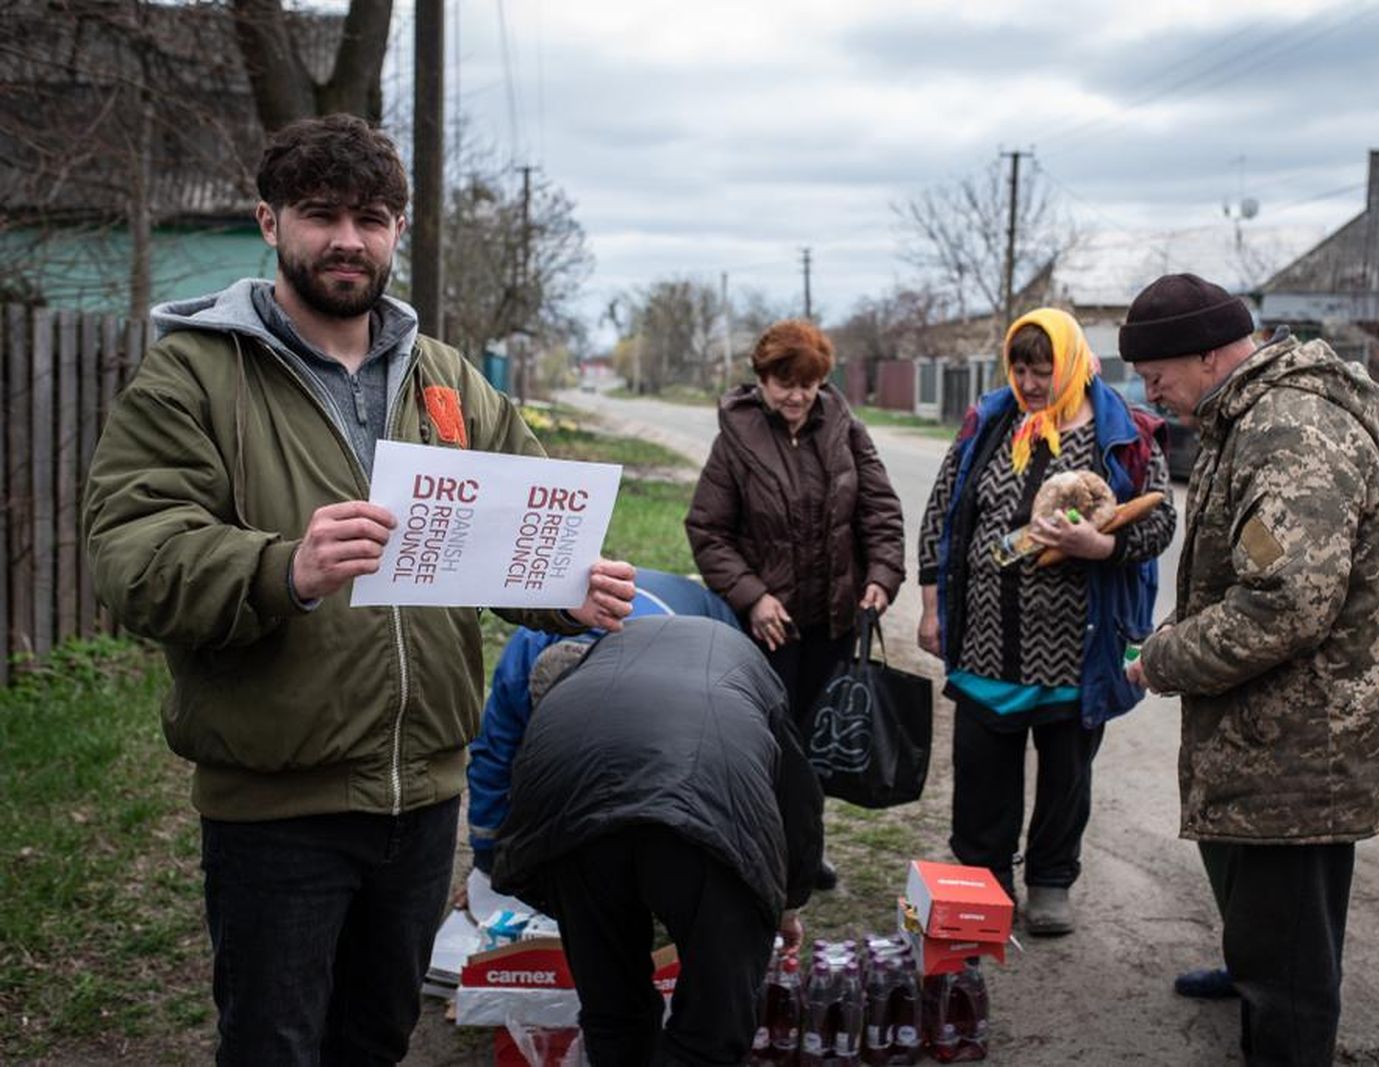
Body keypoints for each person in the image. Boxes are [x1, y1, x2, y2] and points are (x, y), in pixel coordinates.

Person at [81, 114, 636, 1066]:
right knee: (274, 1045)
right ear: (270, 221)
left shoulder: (446, 379)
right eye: (321, 212)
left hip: (423, 795)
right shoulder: (195, 376)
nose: (349, 237)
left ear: (396, 232)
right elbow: (131, 556)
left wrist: (565, 590)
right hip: (278, 806)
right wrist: (280, 567)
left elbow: (515, 525)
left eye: (372, 216)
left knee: (376, 1037)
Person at [1120, 273, 1379, 1065]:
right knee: (1268, 920)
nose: (1149, 389)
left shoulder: (1288, 427)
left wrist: (1163, 657)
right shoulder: (1248, 416)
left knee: (1291, 962)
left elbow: (1283, 606)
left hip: (1308, 751)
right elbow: (1256, 573)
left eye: (1156, 372)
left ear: (1208, 351)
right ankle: (1248, 965)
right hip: (1285, 735)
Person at [917, 307, 1176, 936]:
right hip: (986, 640)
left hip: (1076, 647)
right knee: (983, 776)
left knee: (1066, 775)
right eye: (1021, 369)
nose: (1030, 384)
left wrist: (1103, 547)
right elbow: (943, 515)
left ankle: (1051, 881)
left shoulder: (1123, 430)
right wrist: (931, 607)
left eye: (1043, 370)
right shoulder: (990, 420)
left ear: (1071, 362)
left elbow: (1160, 521)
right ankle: (985, 885)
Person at [492, 616, 824, 1067]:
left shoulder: (570, 695)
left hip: (593, 825)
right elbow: (799, 799)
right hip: (708, 821)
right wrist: (785, 902)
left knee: (613, 1008)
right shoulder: (735, 655)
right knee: (712, 1025)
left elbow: (526, 817)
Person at [685, 318, 905, 887]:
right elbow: (708, 531)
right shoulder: (735, 438)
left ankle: (805, 855)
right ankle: (763, 855)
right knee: (769, 748)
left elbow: (879, 508)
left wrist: (881, 575)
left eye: (809, 384)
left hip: (834, 620)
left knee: (816, 747)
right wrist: (753, 598)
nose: (797, 396)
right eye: (785, 383)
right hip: (770, 631)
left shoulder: (843, 427)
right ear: (761, 378)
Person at [466, 567, 740, 873]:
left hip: (703, 626)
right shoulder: (521, 663)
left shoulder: (678, 683)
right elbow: (494, 755)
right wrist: (488, 859)